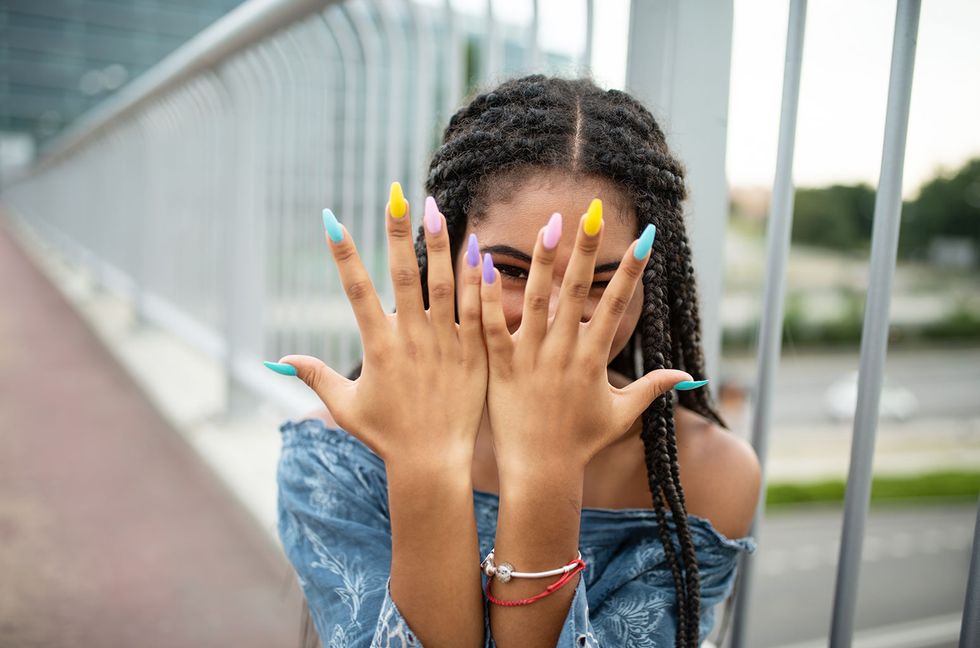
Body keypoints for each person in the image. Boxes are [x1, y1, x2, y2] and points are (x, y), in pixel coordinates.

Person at [265, 75, 761, 648]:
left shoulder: (709, 475)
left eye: (600, 281)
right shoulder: (333, 458)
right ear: (444, 254)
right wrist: (426, 464)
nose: (552, 314)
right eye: (512, 270)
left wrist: (546, 467)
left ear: (649, 288)